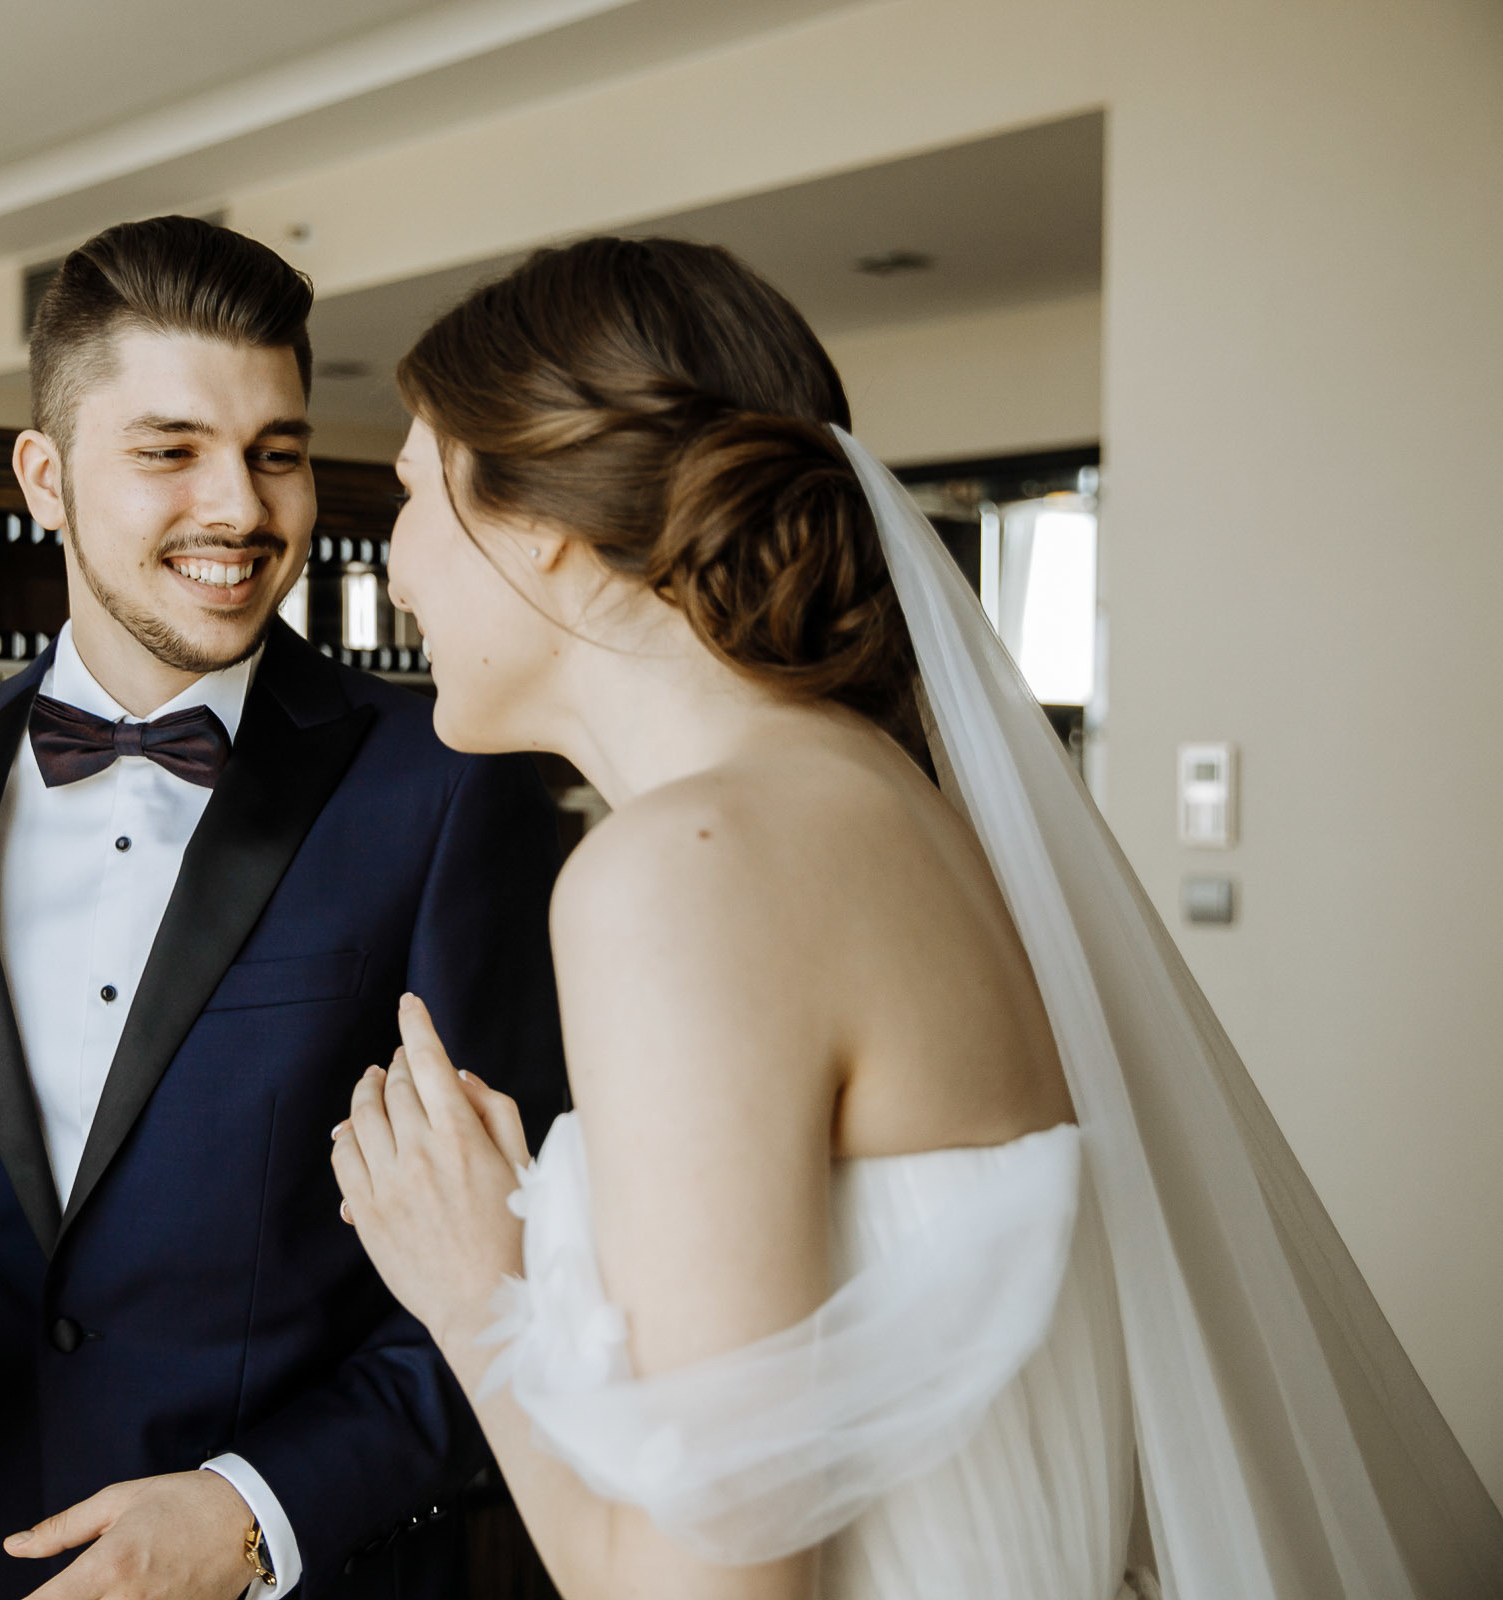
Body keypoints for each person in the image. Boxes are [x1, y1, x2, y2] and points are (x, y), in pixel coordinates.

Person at [331, 238, 1503, 1599]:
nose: (396, 566)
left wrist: (483, 1299)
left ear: (537, 520)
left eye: (413, 491)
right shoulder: (896, 808)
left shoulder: (683, 867)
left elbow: (711, 1592)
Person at [0, 216, 568, 1600]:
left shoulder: (449, 786)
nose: (240, 506)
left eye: (275, 450)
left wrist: (253, 1515)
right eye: (169, 450)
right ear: (44, 479)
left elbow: (527, 1272)